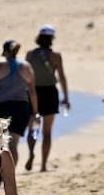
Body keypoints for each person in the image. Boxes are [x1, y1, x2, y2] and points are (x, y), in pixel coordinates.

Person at [24, 24, 70, 171]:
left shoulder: (30, 54)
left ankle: (31, 153)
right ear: (51, 39)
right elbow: (62, 77)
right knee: (47, 132)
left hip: (33, 93)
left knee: (33, 128)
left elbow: (25, 76)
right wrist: (66, 97)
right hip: (50, 92)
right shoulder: (55, 56)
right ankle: (43, 165)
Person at [0, 39, 39, 160]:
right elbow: (32, 92)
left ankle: (0, 173)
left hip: (2, 107)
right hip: (21, 108)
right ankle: (11, 174)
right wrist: (35, 111)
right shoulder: (26, 66)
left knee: (0, 144)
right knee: (14, 144)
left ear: (5, 52)